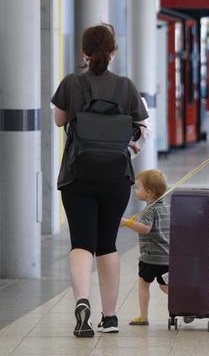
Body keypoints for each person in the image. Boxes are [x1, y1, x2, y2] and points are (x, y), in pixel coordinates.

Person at [51, 24, 148, 337]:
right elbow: (142, 130)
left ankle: (82, 302)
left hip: (77, 174)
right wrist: (125, 152)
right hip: (115, 176)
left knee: (81, 242)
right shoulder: (126, 86)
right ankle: (109, 318)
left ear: (84, 52)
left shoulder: (71, 83)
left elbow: (59, 120)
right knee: (107, 243)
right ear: (113, 51)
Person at [120, 169, 170, 326]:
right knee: (165, 286)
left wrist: (126, 222)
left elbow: (145, 228)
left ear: (149, 192)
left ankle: (143, 316)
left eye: (138, 187)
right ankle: (187, 305)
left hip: (151, 257)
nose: (135, 190)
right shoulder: (166, 206)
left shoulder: (149, 209)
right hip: (167, 256)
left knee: (143, 283)